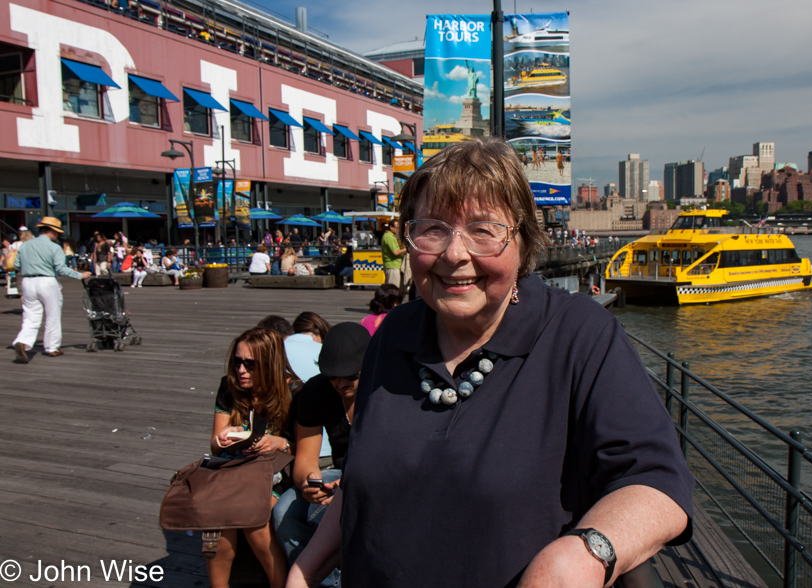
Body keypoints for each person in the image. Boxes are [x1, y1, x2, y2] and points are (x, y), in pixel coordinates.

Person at [288, 138, 693, 587]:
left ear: (523, 241)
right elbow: (362, 482)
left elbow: (657, 482)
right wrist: (306, 570)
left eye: (483, 230)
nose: (455, 253)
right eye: (433, 228)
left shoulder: (578, 334)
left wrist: (583, 554)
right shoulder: (391, 336)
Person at [273, 323, 370, 576]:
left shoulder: (385, 391)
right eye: (332, 376)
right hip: (337, 472)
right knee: (285, 511)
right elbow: (305, 457)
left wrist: (348, 484)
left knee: (331, 516)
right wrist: (308, 482)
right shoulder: (316, 390)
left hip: (378, 477)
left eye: (350, 375)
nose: (340, 383)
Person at [210, 327, 294, 588]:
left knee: (252, 511)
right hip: (237, 466)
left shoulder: (295, 390)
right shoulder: (229, 386)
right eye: (237, 362)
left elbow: (307, 448)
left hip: (278, 471)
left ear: (269, 365)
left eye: (249, 364)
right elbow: (214, 445)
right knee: (215, 520)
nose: (241, 370)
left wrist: (280, 442)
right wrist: (223, 437)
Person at [12, 217, 92, 363]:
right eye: (56, 233)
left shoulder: (24, 246)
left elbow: (16, 265)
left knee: (30, 317)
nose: (57, 236)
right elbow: (61, 269)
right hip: (46, 281)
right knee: (52, 316)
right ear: (51, 231)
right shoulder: (54, 247)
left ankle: (22, 341)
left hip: (27, 282)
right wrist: (80, 275)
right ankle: (52, 348)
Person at [380, 219, 406, 287]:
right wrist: (406, 249)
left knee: (392, 289)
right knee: (393, 289)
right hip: (392, 266)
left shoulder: (391, 236)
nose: (398, 229)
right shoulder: (389, 237)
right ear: (391, 227)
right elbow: (395, 252)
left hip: (394, 265)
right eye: (397, 227)